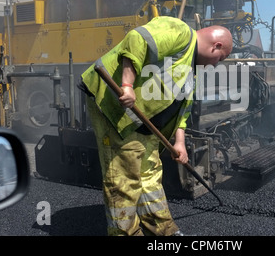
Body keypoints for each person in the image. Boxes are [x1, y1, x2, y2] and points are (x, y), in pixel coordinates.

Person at [80, 16, 233, 236]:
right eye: (221, 58)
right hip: (114, 105)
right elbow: (137, 40)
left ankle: (163, 231)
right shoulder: (181, 33)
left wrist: (179, 142)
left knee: (150, 174)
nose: (215, 64)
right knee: (125, 175)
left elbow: (183, 108)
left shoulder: (192, 69)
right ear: (216, 45)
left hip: (147, 123)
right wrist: (127, 85)